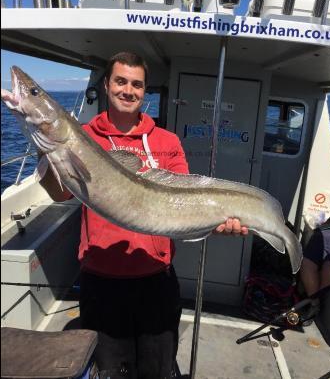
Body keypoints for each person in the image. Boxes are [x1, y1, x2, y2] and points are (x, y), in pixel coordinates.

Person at [40, 52, 248, 379]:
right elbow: (60, 193)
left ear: (144, 91)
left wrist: (217, 222)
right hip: (101, 279)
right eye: (120, 81)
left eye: (137, 84)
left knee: (157, 369)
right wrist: (47, 148)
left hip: (156, 279)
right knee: (108, 370)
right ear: (106, 85)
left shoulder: (166, 142)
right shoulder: (82, 139)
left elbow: (187, 202)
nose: (128, 90)